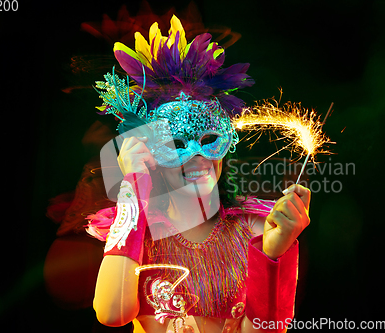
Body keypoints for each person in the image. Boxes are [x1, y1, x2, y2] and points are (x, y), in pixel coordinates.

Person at [85, 15, 310, 333]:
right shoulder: (136, 233)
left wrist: (273, 253)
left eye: (209, 140)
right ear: (149, 151)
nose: (198, 156)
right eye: (177, 143)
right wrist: (133, 189)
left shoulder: (258, 229)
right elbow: (112, 312)